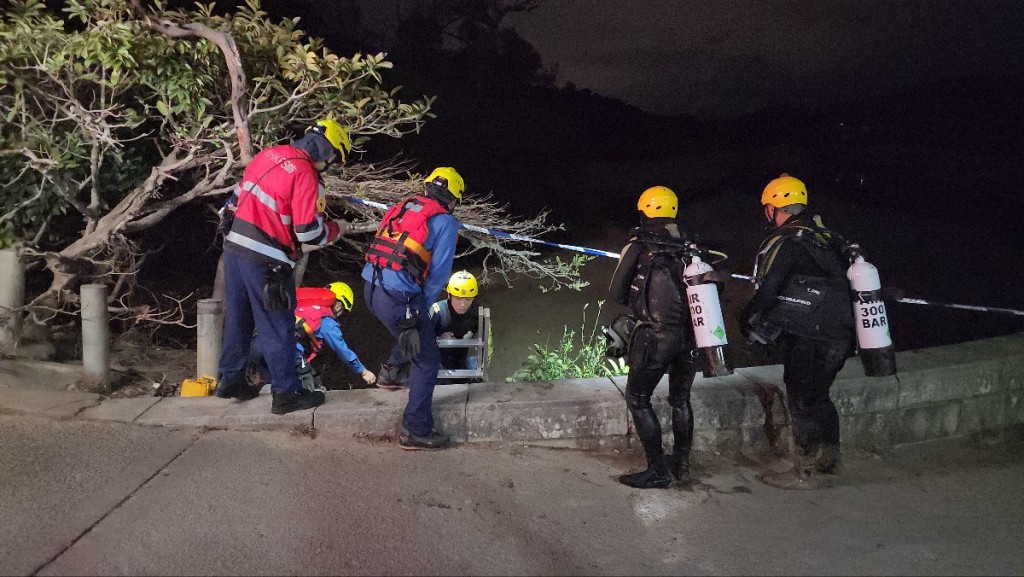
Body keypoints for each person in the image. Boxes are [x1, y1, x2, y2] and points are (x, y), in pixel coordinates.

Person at [214, 119, 351, 415]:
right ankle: (286, 394)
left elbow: (232, 200)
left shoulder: (270, 154)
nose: (331, 164)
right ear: (327, 150)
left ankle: (230, 379)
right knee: (278, 326)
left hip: (234, 248)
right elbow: (308, 233)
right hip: (266, 259)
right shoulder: (306, 176)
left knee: (239, 318)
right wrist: (337, 228)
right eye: (334, 157)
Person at [741, 174, 855, 489]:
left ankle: (803, 470)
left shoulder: (789, 242)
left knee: (801, 397)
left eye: (768, 207)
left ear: (775, 207)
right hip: (842, 334)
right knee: (820, 395)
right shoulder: (827, 237)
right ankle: (829, 460)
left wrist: (747, 318)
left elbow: (768, 290)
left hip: (809, 336)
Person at [362, 167, 465, 450]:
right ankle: (415, 430)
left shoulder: (405, 206)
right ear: (453, 198)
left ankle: (391, 371)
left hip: (370, 287)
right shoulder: (445, 222)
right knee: (427, 360)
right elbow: (439, 274)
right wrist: (422, 305)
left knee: (419, 331)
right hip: (397, 296)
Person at [608, 186, 702, 489]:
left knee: (637, 398)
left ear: (645, 210)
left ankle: (657, 470)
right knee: (680, 399)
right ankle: (682, 463)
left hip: (655, 338)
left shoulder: (639, 245)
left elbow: (617, 293)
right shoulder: (690, 246)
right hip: (690, 337)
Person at [294, 281, 377, 387]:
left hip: (273, 347)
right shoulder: (327, 321)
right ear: (338, 306)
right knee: (309, 390)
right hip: (292, 354)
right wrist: (363, 371)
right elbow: (342, 350)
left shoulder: (300, 306)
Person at [430, 270, 481, 371]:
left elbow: (488, 346)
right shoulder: (437, 311)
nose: (462, 304)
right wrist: (439, 338)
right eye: (458, 298)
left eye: (468, 299)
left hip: (462, 365)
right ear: (449, 295)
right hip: (436, 365)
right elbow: (421, 341)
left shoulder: (478, 314)